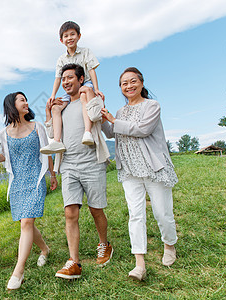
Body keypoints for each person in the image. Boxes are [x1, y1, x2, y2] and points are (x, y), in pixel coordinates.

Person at [102, 67, 178, 281]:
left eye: (133, 81)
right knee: (135, 215)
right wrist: (102, 115)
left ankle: (169, 245)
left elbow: (142, 129)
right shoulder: (119, 112)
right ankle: (139, 263)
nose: (129, 86)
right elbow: (111, 131)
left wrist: (114, 121)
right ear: (121, 88)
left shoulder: (152, 106)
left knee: (162, 213)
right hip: (129, 170)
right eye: (124, 83)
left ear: (142, 83)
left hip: (154, 168)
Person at [45, 63, 113, 280]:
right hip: (69, 166)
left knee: (96, 210)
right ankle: (74, 261)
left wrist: (91, 94)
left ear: (81, 79)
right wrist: (50, 112)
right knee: (70, 212)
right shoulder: (62, 107)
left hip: (92, 163)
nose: (65, 82)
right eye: (63, 78)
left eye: (70, 78)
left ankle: (104, 244)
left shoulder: (89, 99)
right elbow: (52, 133)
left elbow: (96, 117)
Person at [0, 92, 58, 290]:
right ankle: (44, 249)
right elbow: (1, 157)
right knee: (25, 222)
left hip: (35, 179)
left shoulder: (37, 127)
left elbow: (47, 152)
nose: (26, 102)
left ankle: (19, 270)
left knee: (26, 222)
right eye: (22, 100)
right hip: (17, 182)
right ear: (11, 106)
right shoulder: (4, 133)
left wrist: (52, 175)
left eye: (26, 99)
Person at [40, 20, 105, 155]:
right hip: (70, 89)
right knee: (56, 107)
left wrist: (96, 88)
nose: (69, 38)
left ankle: (87, 132)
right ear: (61, 40)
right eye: (66, 36)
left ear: (79, 36)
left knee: (83, 96)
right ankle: (57, 141)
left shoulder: (85, 52)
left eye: (72, 34)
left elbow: (92, 70)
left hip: (85, 83)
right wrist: (52, 95)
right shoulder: (61, 59)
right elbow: (58, 78)